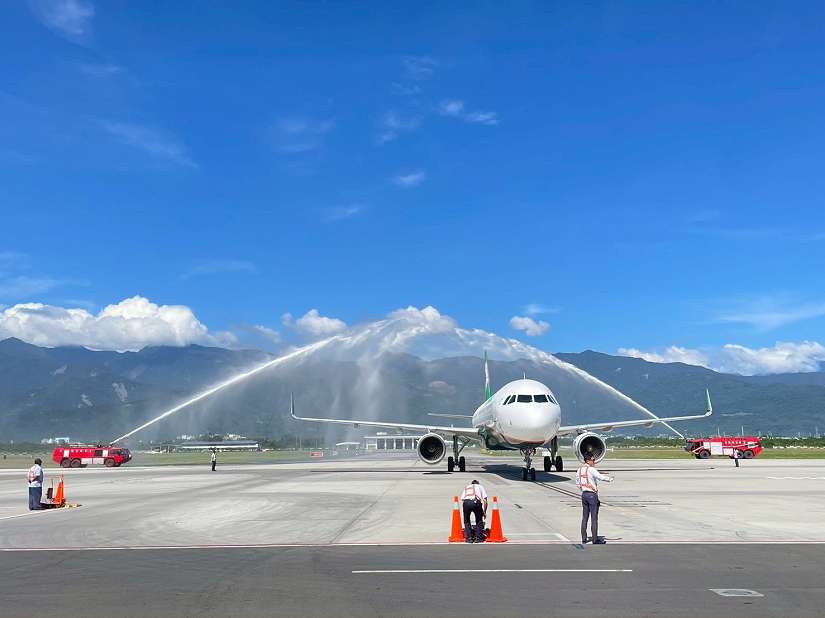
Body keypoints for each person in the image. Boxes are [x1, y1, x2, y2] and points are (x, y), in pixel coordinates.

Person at [576, 454, 613, 544]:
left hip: (584, 494)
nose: (594, 461)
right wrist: (609, 479)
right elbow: (600, 477)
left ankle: (584, 538)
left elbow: (577, 483)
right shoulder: (591, 469)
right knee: (594, 518)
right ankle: (595, 539)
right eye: (593, 460)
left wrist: (584, 489)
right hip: (592, 495)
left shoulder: (579, 470)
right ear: (588, 460)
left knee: (585, 517)